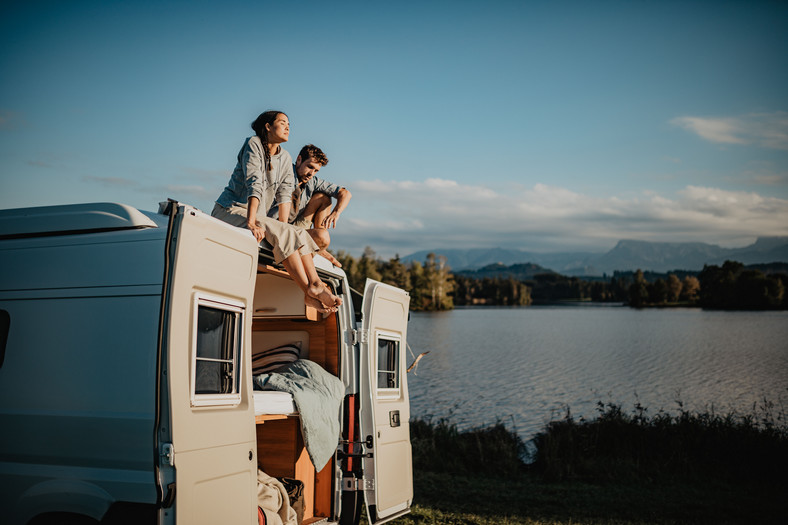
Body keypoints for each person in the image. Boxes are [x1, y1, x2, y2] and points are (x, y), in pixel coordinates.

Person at [212, 111, 341, 313]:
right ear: (268, 127)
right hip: (231, 209)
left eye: (289, 123)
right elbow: (254, 182)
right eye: (282, 123)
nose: (288, 127)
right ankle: (312, 288)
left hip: (258, 216)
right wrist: (252, 221)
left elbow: (284, 196)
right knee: (286, 232)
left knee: (294, 232)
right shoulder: (253, 144)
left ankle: (312, 287)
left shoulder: (285, 157)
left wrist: (283, 227)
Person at [268, 144, 351, 267]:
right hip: (276, 227)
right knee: (323, 237)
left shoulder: (313, 181)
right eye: (310, 167)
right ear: (299, 159)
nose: (311, 173)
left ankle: (318, 247)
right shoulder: (284, 172)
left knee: (324, 198)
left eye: (316, 170)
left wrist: (336, 213)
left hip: (295, 227)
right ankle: (318, 246)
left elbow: (345, 193)